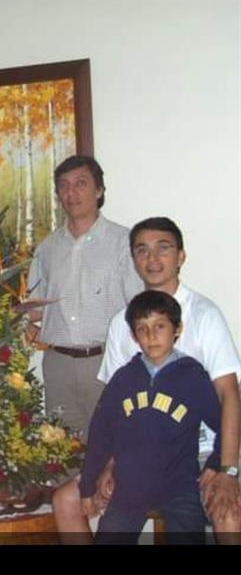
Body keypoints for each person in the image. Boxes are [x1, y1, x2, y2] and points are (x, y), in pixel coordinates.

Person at [54, 217, 241, 539]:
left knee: (229, 513)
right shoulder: (122, 323)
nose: (152, 259)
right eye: (142, 250)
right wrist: (110, 465)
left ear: (180, 256)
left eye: (163, 248)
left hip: (198, 454)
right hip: (137, 451)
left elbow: (229, 397)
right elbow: (115, 413)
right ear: (134, 259)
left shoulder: (204, 315)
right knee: (64, 500)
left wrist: (227, 468)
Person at [61, 291, 221, 544]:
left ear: (177, 328)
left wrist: (216, 462)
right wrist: (88, 487)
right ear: (134, 336)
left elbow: (225, 423)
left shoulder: (193, 377)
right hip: (129, 488)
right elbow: (101, 434)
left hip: (180, 488)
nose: (151, 336)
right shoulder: (123, 379)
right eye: (142, 329)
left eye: (159, 326)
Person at [28, 156, 142, 439]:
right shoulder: (47, 249)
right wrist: (22, 324)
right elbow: (34, 306)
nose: (71, 193)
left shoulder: (123, 243)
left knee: (114, 450)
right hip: (58, 365)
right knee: (62, 451)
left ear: (99, 190)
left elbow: (138, 307)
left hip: (106, 361)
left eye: (81, 184)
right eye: (64, 186)